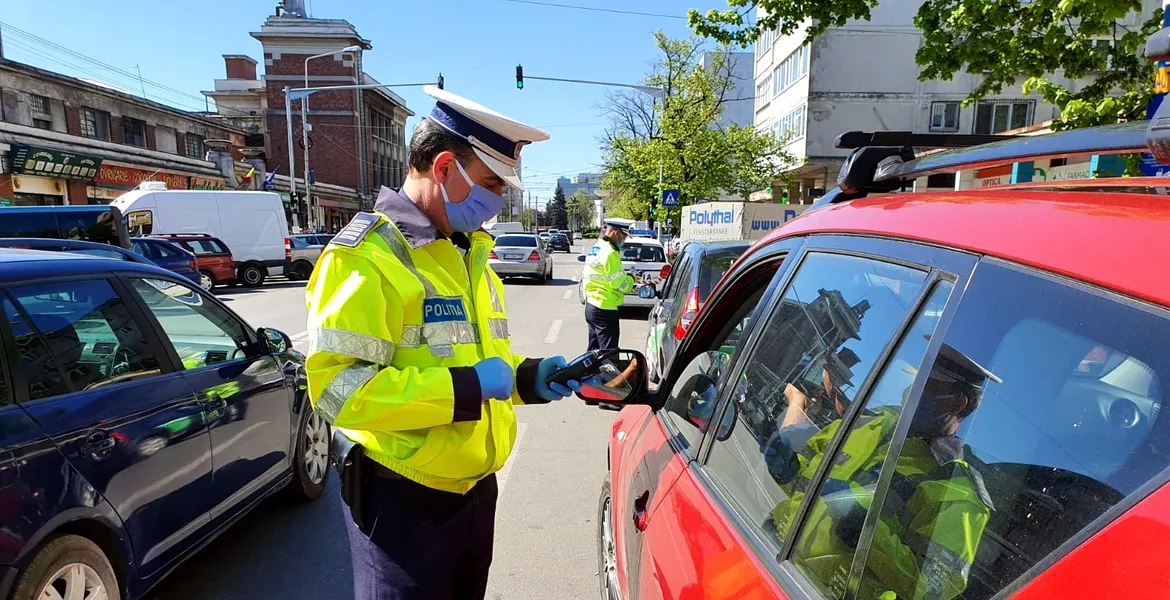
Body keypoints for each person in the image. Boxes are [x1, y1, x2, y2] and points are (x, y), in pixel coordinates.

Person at [304, 86, 584, 600]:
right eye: (490, 184)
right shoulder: (364, 259)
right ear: (445, 167)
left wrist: (528, 377)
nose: (498, 201)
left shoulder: (468, 253)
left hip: (475, 494)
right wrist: (466, 389)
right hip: (403, 501)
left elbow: (474, 360)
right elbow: (337, 391)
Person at [759, 344, 999, 600]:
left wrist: (863, 529)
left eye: (927, 385)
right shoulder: (866, 423)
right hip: (768, 552)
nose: (911, 390)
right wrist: (790, 470)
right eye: (915, 378)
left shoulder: (958, 490)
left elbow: (932, 589)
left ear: (957, 403)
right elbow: (805, 482)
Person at [582, 220, 635, 352]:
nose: (624, 240)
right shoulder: (610, 252)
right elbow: (619, 284)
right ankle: (608, 374)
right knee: (608, 353)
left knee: (593, 353)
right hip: (605, 306)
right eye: (624, 236)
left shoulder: (597, 247)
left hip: (592, 304)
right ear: (616, 232)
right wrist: (631, 279)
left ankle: (589, 373)